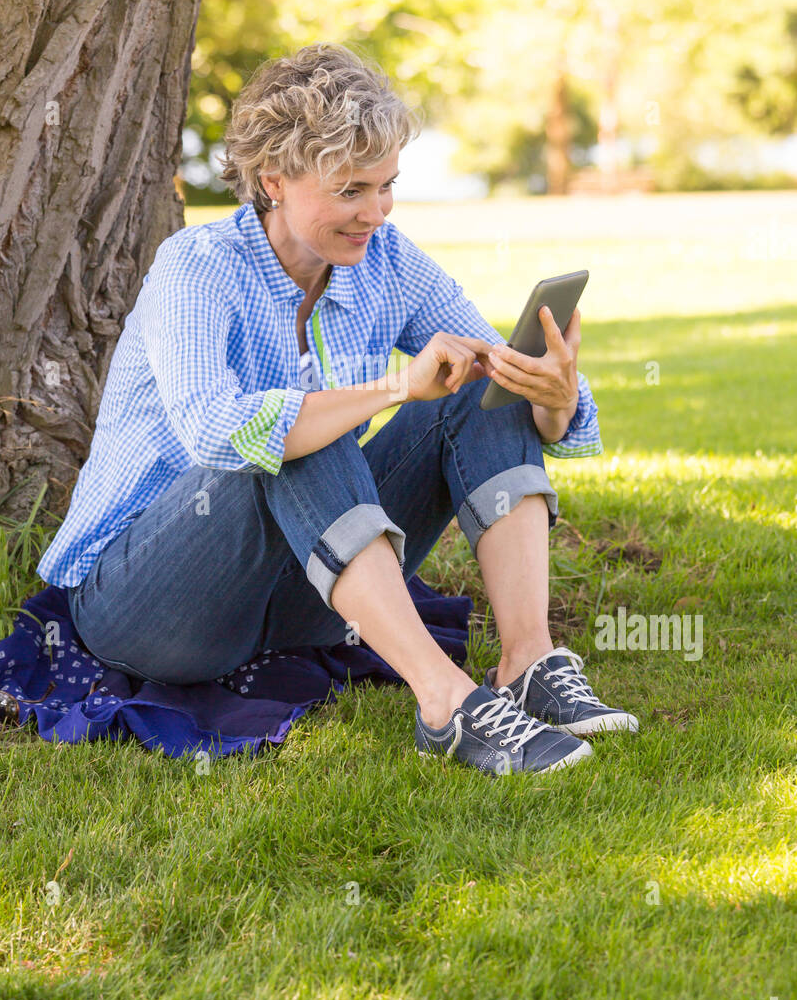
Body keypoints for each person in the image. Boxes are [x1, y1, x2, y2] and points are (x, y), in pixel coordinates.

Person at [37, 43, 638, 777]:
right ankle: (447, 702)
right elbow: (218, 431)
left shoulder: (387, 259)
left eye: (386, 187)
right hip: (152, 605)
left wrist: (554, 392)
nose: (375, 214)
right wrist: (392, 389)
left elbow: (505, 386)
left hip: (304, 595)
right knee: (289, 430)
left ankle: (528, 661)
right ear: (273, 182)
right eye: (351, 191)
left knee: (486, 380)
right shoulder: (195, 267)